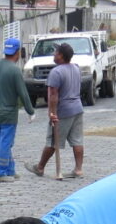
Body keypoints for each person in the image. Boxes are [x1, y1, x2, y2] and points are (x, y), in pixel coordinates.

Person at [26, 43, 83, 180]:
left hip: (63, 111)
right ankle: (78, 169)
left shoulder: (56, 72)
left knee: (52, 142)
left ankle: (40, 167)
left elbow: (53, 95)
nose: (53, 55)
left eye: (55, 52)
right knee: (77, 140)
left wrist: (52, 113)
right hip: (77, 108)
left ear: (61, 56)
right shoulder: (76, 68)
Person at [0, 38, 35, 181]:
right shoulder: (15, 70)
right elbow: (23, 93)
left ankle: (10, 169)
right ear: (18, 52)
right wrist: (30, 111)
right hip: (9, 113)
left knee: (3, 141)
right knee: (6, 142)